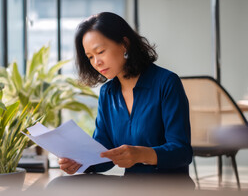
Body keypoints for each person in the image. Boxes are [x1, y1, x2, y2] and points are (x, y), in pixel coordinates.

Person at [58, 12, 192, 177]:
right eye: (90, 57)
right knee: (59, 185)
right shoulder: (107, 93)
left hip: (167, 187)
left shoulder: (166, 82)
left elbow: (182, 152)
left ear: (125, 44)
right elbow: (104, 154)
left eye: (100, 51)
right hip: (131, 187)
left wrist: (141, 154)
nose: (96, 62)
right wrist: (81, 162)